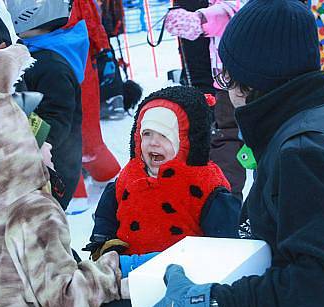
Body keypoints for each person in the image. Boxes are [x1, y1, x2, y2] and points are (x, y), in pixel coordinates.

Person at [141, 0, 324, 307]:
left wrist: (216, 304)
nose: (223, 89)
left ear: (252, 83)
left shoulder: (303, 154)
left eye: (225, 77)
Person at [0, 43, 122, 307]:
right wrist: (111, 271)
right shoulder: (32, 210)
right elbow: (65, 301)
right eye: (33, 138)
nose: (49, 145)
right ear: (15, 151)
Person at [84, 86, 241, 273]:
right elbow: (106, 215)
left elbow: (224, 242)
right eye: (147, 133)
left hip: (183, 278)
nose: (153, 142)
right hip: (128, 275)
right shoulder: (129, 176)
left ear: (187, 140)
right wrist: (103, 242)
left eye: (164, 135)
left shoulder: (206, 184)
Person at [6, 0, 88, 209]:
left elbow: (57, 117)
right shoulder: (37, 53)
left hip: (52, 169)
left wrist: (36, 144)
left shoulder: (50, 65)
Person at [165, 0, 247, 200]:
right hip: (222, 80)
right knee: (225, 138)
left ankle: (271, 208)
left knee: (266, 142)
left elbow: (236, 9)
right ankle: (226, 205)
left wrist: (200, 19)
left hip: (253, 77)